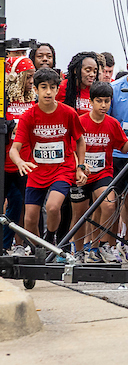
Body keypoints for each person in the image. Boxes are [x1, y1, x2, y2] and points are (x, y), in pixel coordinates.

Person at [9, 68, 85, 252]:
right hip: (36, 171)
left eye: (52, 87)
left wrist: (80, 167)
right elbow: (14, 149)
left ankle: (50, 238)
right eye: (44, 87)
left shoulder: (68, 113)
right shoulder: (28, 116)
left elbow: (80, 141)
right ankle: (38, 251)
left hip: (62, 169)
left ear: (58, 90)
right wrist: (20, 162)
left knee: (52, 207)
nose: (48, 91)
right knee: (29, 219)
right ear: (35, 90)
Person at [71, 81, 128, 262]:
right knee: (80, 214)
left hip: (102, 173)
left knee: (108, 205)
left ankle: (100, 246)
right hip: (81, 174)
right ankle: (79, 250)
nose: (103, 105)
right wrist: (78, 167)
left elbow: (123, 147)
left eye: (107, 101)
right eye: (99, 101)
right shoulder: (80, 121)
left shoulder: (112, 123)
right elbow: (71, 148)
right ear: (91, 101)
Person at [4, 58, 36, 253]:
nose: (31, 81)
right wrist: (11, 125)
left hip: (25, 163)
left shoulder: (33, 99)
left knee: (18, 205)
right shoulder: (4, 99)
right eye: (28, 77)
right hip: (5, 161)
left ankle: (10, 244)